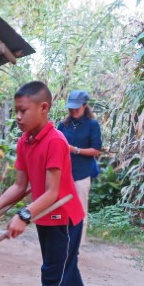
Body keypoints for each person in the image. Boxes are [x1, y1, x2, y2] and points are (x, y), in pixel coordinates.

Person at [0, 81, 93, 286]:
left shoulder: (56, 141)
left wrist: (23, 215)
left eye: (23, 110)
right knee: (64, 263)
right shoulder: (25, 141)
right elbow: (20, 186)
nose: (18, 117)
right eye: (16, 111)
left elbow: (53, 193)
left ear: (43, 108)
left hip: (63, 218)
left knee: (54, 273)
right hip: (43, 216)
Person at [57, 90, 102, 244]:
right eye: (71, 108)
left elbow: (96, 150)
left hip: (81, 175)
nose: (73, 110)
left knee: (79, 209)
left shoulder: (92, 125)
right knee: (61, 208)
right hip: (63, 174)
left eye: (77, 107)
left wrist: (75, 150)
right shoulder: (64, 124)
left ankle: (76, 245)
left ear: (85, 106)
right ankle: (61, 241)